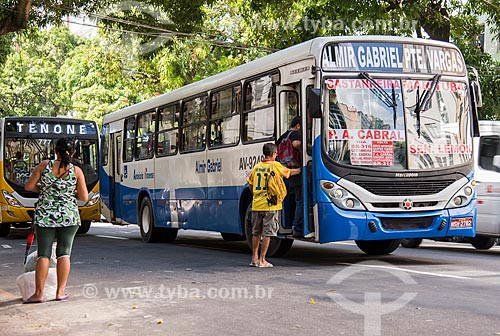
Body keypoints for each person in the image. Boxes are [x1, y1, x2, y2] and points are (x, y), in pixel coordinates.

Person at [24, 137, 88, 303]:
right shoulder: (76, 171)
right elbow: (84, 197)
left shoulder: (44, 166)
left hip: (46, 216)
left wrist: (43, 187)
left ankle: (39, 294)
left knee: (43, 255)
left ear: (55, 150)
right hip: (69, 216)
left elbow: (28, 187)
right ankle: (60, 292)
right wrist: (67, 192)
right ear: (73, 152)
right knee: (64, 254)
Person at [247, 143, 300, 268]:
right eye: (276, 153)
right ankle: (262, 260)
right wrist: (303, 168)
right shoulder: (275, 165)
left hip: (256, 205)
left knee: (256, 232)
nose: (276, 155)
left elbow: (250, 184)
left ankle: (254, 258)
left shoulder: (257, 167)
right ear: (272, 154)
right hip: (270, 205)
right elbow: (289, 173)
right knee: (268, 233)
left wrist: (256, 196)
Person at [276, 116, 307, 238]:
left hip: (285, 172)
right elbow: (296, 144)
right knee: (300, 200)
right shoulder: (295, 134)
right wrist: (309, 146)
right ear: (298, 126)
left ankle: (287, 224)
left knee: (289, 199)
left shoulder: (282, 137)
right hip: (296, 171)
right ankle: (297, 227)